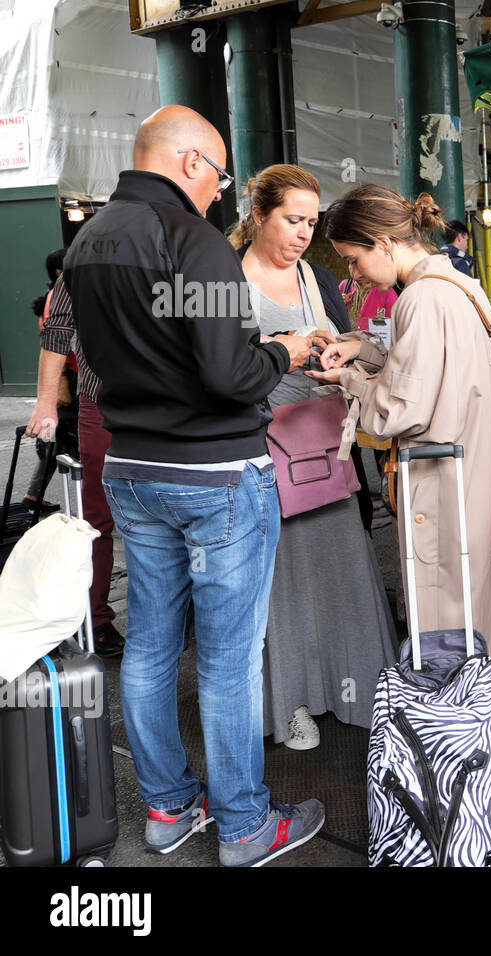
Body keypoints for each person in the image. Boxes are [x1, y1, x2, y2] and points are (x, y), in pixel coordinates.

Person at [63, 104, 324, 866]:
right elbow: (229, 374)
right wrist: (280, 352)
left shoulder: (86, 243)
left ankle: (168, 811)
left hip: (133, 470)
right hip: (213, 474)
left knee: (146, 648)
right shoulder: (192, 240)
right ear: (188, 164)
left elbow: (91, 356)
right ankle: (244, 825)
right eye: (217, 176)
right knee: (227, 657)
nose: (218, 193)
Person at [312, 184, 491, 703]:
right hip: (477, 465)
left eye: (356, 260)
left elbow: (397, 411)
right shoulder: (457, 282)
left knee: (449, 609)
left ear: (384, 243)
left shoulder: (421, 298)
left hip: (443, 477)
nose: (354, 275)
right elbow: (431, 372)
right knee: (482, 602)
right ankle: (487, 713)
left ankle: (454, 728)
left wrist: (347, 381)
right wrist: (363, 347)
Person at [228, 164, 398, 750]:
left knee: (343, 568)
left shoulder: (320, 282)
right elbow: (218, 376)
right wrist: (280, 356)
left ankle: (355, 689)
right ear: (258, 217)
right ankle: (294, 702)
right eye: (292, 220)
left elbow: (354, 354)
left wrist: (338, 357)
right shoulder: (225, 283)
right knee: (282, 583)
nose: (304, 232)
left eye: (311, 221)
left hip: (328, 451)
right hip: (262, 456)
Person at [24, 274, 124, 656]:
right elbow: (56, 329)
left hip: (165, 404)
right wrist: (47, 400)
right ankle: (96, 619)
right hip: (101, 401)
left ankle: (176, 609)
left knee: (169, 509)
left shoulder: (175, 247)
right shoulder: (87, 260)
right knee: (97, 517)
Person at [22, 249, 79, 516]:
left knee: (60, 437)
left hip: (69, 374)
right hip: (67, 375)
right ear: (59, 271)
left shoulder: (54, 297)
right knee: (61, 436)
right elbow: (56, 343)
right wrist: (61, 384)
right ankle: (34, 494)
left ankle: (34, 494)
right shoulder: (57, 299)